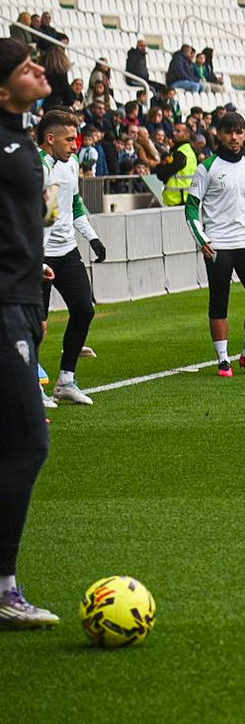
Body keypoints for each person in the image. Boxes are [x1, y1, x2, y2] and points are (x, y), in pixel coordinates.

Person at [0, 42, 57, 629]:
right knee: (27, 444)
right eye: (25, 68)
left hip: (19, 293)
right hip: (2, 303)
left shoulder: (21, 138)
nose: (39, 69)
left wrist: (29, 259)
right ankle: (2, 585)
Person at [184, 112, 245, 376]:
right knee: (219, 301)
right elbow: (191, 207)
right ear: (219, 134)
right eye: (229, 132)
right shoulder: (207, 167)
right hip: (218, 246)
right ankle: (223, 359)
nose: (234, 137)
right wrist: (201, 238)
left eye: (239, 132)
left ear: (244, 134)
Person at [36, 110, 105, 405]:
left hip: (66, 250)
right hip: (39, 255)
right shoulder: (37, 168)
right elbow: (39, 216)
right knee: (36, 323)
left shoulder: (70, 163)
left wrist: (92, 237)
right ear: (50, 140)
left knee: (84, 309)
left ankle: (66, 380)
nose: (75, 145)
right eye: (69, 139)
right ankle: (30, 385)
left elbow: (74, 204)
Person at [154, 120, 200, 207]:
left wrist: (160, 166)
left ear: (187, 134)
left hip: (178, 199)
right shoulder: (189, 150)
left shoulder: (180, 153)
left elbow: (162, 174)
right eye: (174, 130)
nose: (174, 133)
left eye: (178, 131)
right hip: (185, 198)